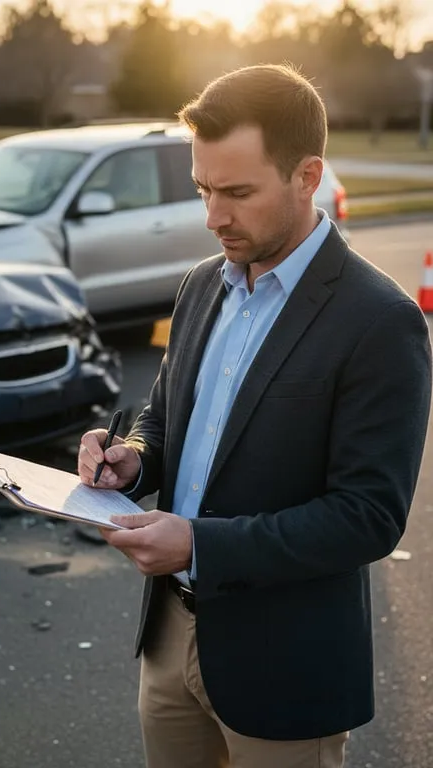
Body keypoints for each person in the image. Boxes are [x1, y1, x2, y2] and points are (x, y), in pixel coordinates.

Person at [77, 63, 432, 768]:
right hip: (168, 637)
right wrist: (135, 459)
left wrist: (201, 545)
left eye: (237, 192)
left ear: (307, 177)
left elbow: (368, 516)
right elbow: (164, 418)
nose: (212, 217)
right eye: (203, 189)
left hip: (286, 662)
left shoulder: (379, 320)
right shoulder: (199, 284)